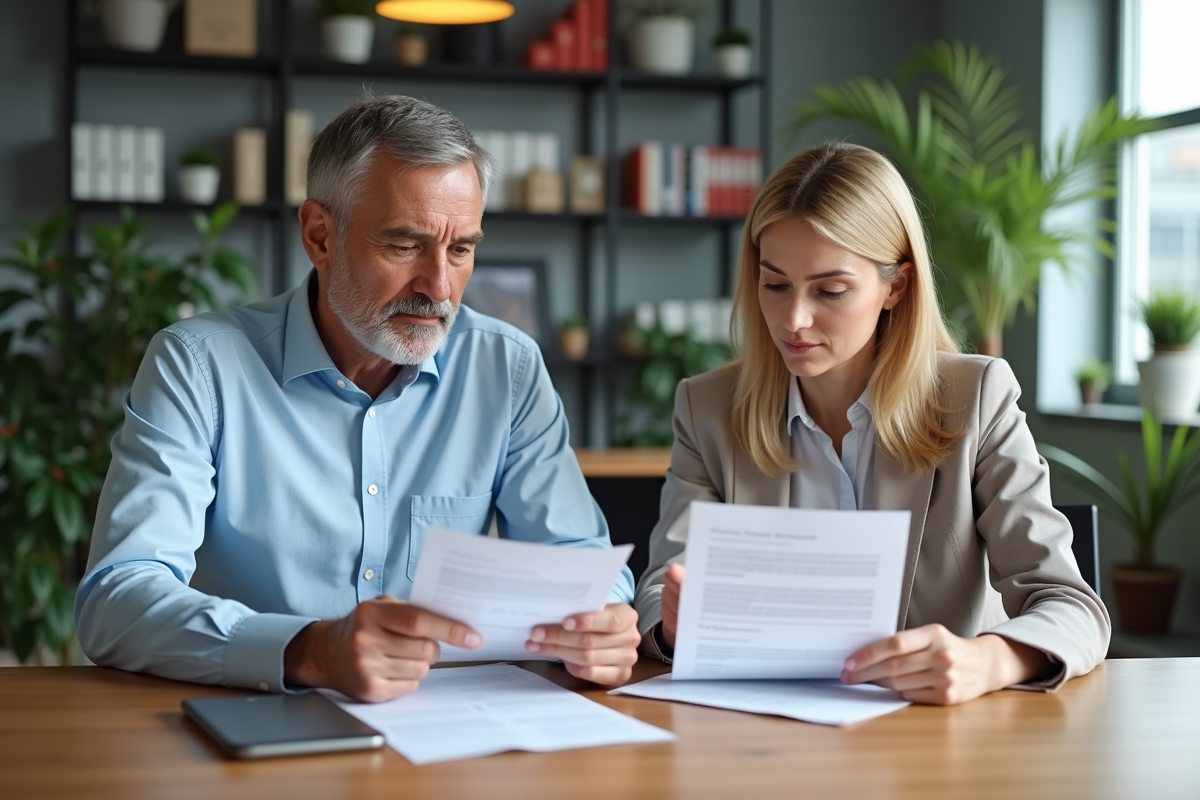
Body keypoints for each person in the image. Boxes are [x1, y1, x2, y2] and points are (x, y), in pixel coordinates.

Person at [75, 95, 640, 702]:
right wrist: (310, 651)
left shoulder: (507, 368)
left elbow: (579, 560)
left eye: (461, 249)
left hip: (449, 720)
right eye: (405, 246)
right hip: (255, 713)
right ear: (320, 235)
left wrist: (602, 622)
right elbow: (118, 598)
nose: (439, 287)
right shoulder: (197, 366)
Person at [634, 143, 1109, 705]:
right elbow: (662, 588)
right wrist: (675, 623)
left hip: (935, 733)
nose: (794, 319)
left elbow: (1071, 606)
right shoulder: (708, 407)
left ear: (895, 286)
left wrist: (987, 660)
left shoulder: (976, 397)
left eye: (830, 291)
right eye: (775, 284)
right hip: (767, 729)